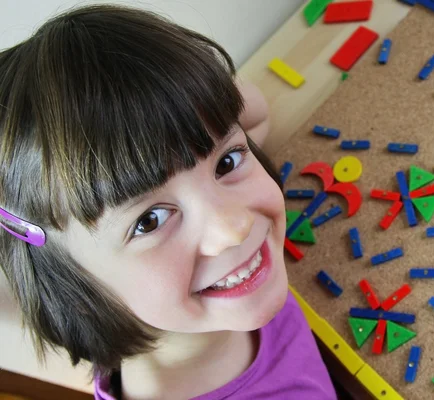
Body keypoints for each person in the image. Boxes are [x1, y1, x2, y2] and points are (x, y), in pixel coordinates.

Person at [0, 4, 336, 399]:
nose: (233, 228)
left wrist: (173, 96)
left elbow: (254, 116)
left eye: (226, 162)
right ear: (75, 292)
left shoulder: (195, 292)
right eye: (150, 221)